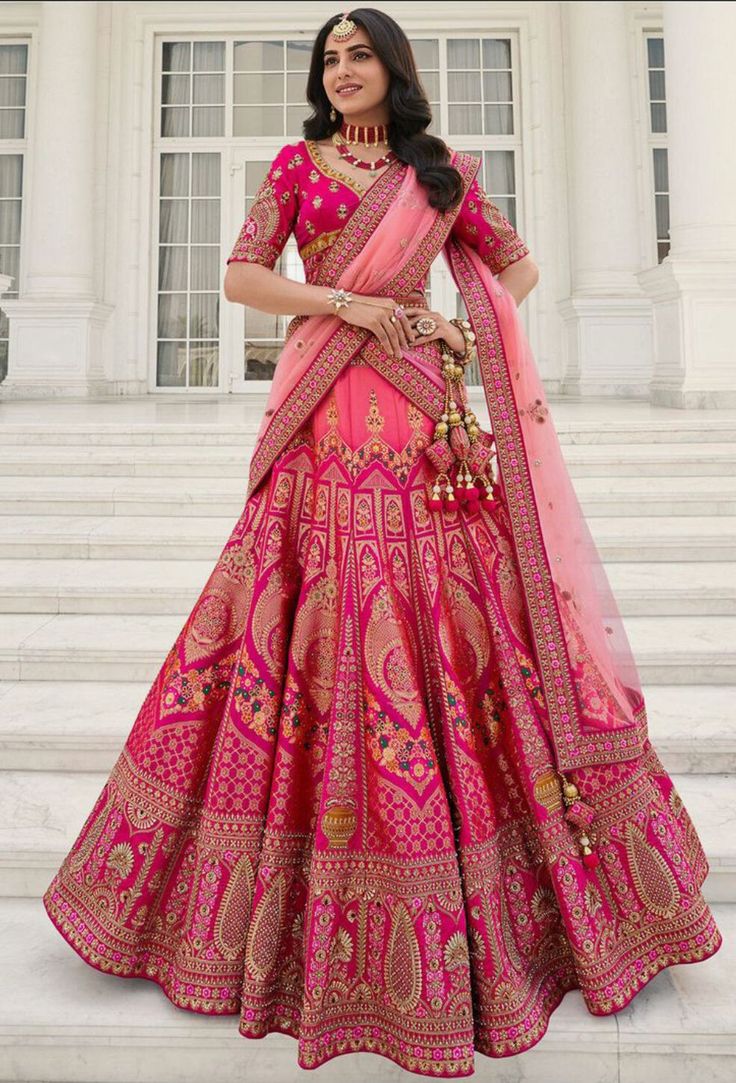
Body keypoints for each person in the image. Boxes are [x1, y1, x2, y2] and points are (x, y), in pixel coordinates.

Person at [43, 7, 722, 1078]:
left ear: (392, 69)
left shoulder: (439, 173)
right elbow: (240, 277)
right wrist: (350, 303)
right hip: (325, 424)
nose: (343, 70)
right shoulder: (296, 166)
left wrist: (460, 325)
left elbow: (514, 273)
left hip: (425, 438)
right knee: (289, 635)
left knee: (462, 637)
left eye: (360, 55)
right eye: (330, 58)